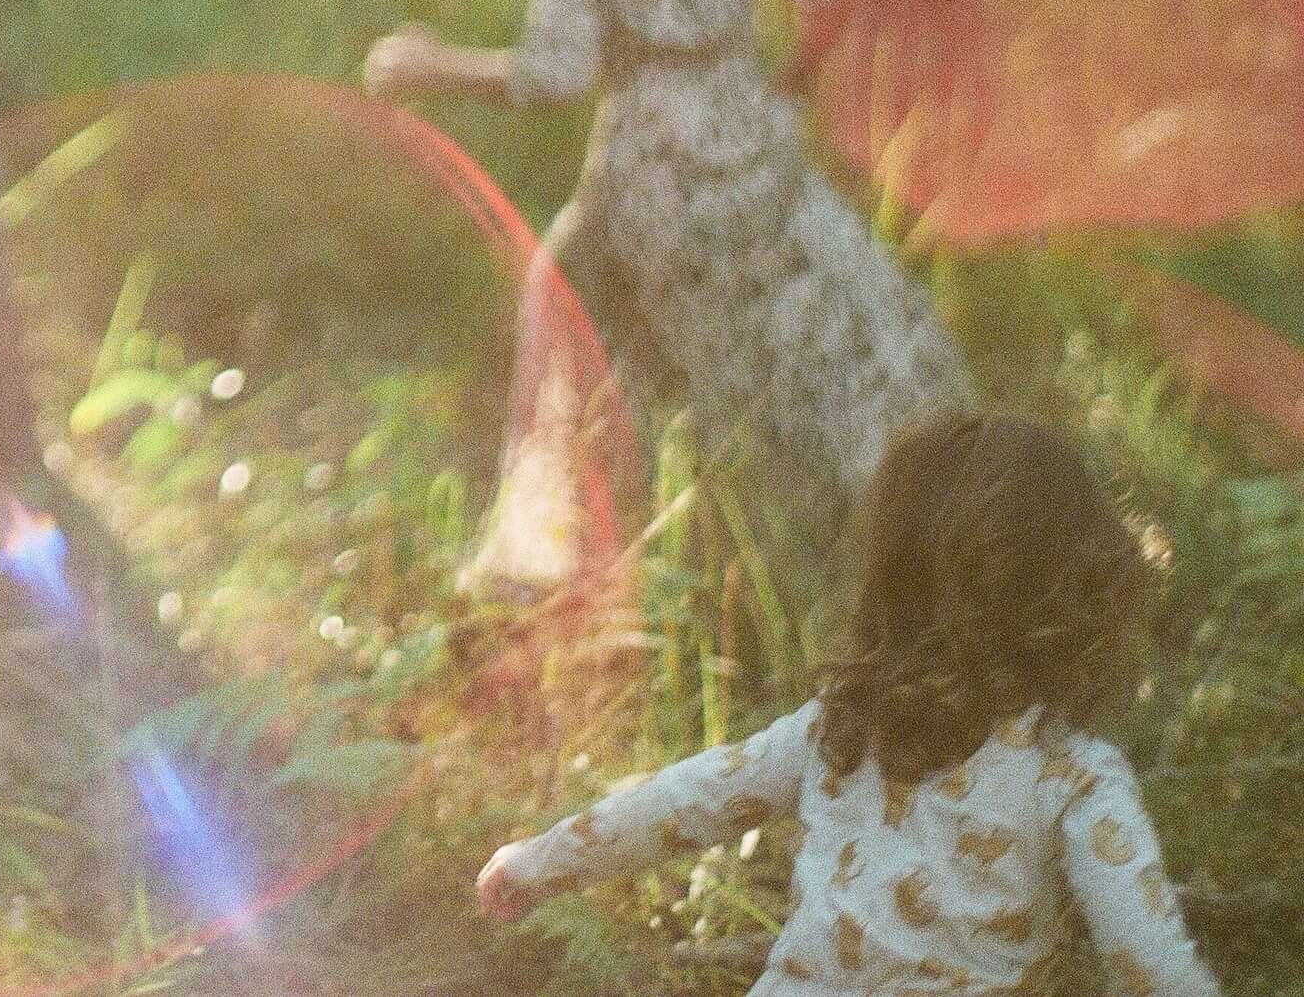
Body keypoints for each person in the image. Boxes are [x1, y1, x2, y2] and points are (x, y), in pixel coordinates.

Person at [364, 0, 965, 588]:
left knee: (580, 314)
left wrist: (433, 64)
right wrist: (784, 80)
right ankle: (870, 514)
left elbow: (557, 73)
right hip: (754, 141)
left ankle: (565, 558)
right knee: (810, 316)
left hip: (655, 170)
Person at [475, 411, 1224, 997]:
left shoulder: (837, 729)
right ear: (1080, 593)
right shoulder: (1075, 777)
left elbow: (683, 801)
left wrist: (538, 861)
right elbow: (1152, 965)